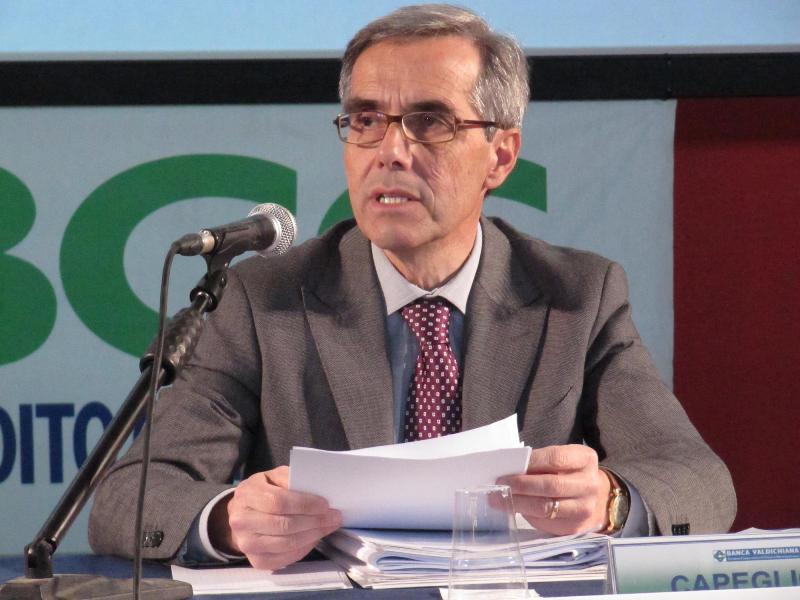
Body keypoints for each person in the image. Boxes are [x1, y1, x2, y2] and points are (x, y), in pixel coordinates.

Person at [89, 3, 736, 571]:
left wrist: (610, 501)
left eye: (430, 122)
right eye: (366, 120)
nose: (390, 151)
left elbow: (697, 480)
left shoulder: (578, 297)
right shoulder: (266, 300)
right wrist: (228, 520)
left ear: (501, 156)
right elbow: (127, 500)